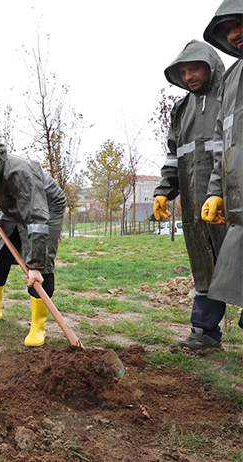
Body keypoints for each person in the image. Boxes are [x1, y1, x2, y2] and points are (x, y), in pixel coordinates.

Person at [153, 40, 229, 352]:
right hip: (195, 207)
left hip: (232, 202)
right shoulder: (181, 110)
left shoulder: (230, 96)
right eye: (183, 72)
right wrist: (163, 191)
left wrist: (221, 191)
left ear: (211, 66)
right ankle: (205, 333)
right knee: (203, 267)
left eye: (194, 68)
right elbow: (174, 156)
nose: (189, 76)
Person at [0, 143, 66, 346]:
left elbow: (37, 218)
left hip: (46, 206)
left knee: (42, 259)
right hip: (12, 206)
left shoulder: (20, 173)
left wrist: (35, 266)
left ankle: (38, 326)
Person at [202, 1, 243, 333]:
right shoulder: (232, 79)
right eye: (227, 29)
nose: (234, 34)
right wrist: (216, 190)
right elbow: (223, 143)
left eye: (239, 23)